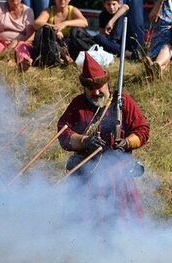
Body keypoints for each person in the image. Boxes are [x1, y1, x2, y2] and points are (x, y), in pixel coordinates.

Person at [57, 53, 150, 221]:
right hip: (86, 172)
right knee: (82, 223)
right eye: (92, 88)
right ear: (85, 88)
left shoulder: (123, 102)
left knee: (124, 221)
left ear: (107, 83)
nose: (98, 92)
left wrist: (127, 142)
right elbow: (63, 132)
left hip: (117, 173)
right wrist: (84, 141)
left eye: (101, 86)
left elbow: (142, 129)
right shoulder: (78, 104)